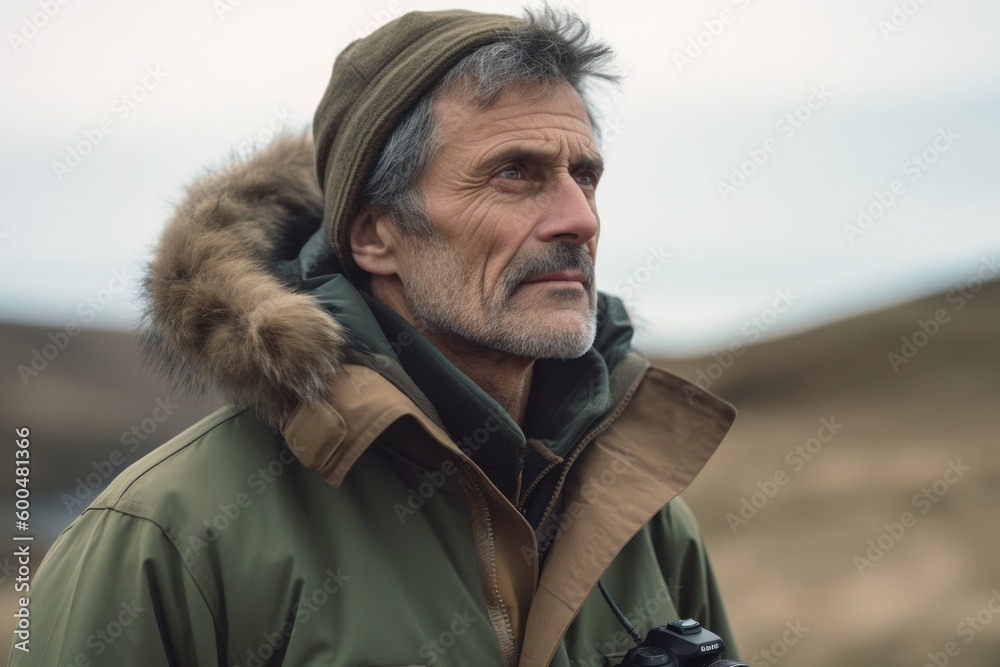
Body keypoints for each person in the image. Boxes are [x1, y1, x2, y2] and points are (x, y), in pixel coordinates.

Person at [12, 5, 739, 666]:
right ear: (374, 236)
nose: (579, 217)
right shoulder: (167, 539)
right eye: (515, 173)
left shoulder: (642, 518)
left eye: (585, 175)